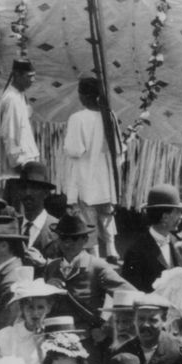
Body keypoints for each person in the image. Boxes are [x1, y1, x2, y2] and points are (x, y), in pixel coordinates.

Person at [62, 78, 118, 256]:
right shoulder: (110, 116)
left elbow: (75, 149)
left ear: (83, 96)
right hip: (105, 173)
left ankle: (95, 252)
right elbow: (118, 147)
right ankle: (111, 249)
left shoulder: (78, 119)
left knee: (87, 215)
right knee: (106, 213)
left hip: (85, 172)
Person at [0, 59, 40, 182]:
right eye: (29, 76)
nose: (32, 80)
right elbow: (9, 134)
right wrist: (20, 162)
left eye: (34, 76)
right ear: (17, 75)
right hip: (16, 169)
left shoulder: (18, 96)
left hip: (20, 167)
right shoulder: (12, 100)